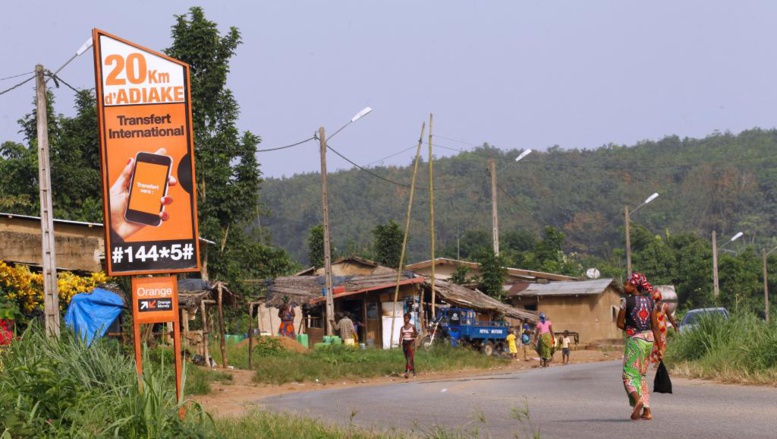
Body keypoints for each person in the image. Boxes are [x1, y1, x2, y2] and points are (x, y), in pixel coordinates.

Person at [617, 272, 663, 421]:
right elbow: (655, 327)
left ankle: (638, 401)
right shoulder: (651, 302)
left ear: (634, 286)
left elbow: (619, 323)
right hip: (648, 339)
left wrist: (631, 329)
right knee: (642, 375)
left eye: (627, 283)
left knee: (628, 375)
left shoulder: (626, 301)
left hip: (635, 340)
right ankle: (647, 411)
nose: (625, 286)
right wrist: (660, 348)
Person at [109, 148, 176, 242]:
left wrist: (115, 232)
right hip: (116, 226)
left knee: (162, 189)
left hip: (117, 230)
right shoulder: (115, 202)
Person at [650, 288, 678, 364]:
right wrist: (675, 326)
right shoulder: (664, 306)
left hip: (655, 326)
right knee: (662, 343)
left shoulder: (652, 306)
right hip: (662, 327)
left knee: (655, 342)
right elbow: (670, 318)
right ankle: (661, 358)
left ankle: (656, 359)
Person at [398, 312, 418, 378]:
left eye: (407, 318)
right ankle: (414, 371)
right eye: (405, 318)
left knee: (410, 357)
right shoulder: (402, 328)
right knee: (407, 358)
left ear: (409, 319)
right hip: (405, 343)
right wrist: (399, 343)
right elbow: (401, 336)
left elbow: (416, 334)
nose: (405, 319)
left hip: (411, 342)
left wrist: (413, 335)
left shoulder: (413, 326)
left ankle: (407, 372)